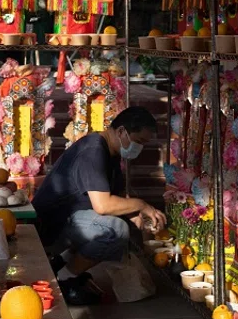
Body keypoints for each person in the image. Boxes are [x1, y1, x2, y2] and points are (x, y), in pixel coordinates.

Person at [32, 106, 167, 305]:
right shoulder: (93, 151)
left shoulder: (111, 153)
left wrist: (138, 217)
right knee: (114, 230)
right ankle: (62, 279)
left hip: (75, 220)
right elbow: (103, 206)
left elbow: (118, 196)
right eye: (138, 142)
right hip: (52, 225)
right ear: (121, 131)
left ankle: (61, 264)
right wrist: (141, 205)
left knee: (121, 225)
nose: (140, 148)